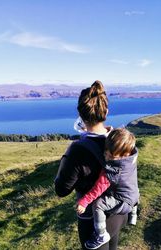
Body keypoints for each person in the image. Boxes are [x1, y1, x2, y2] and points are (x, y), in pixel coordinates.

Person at [54, 80, 129, 250]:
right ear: (106, 112)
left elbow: (61, 190)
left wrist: (66, 158)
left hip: (93, 220)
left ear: (80, 114)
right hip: (119, 211)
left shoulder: (77, 150)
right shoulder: (120, 141)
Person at [76, 128, 139, 249]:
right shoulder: (131, 159)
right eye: (105, 152)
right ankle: (133, 215)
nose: (105, 156)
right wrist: (88, 130)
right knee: (134, 187)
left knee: (98, 204)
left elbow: (98, 189)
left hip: (123, 202)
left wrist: (84, 202)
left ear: (124, 155)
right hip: (134, 196)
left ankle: (101, 235)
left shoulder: (112, 171)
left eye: (110, 156)